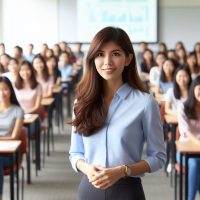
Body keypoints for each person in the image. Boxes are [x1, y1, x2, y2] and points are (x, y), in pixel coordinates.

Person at [69, 26, 166, 200]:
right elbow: (75, 153)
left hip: (127, 191)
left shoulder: (145, 103)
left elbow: (158, 157)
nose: (107, 62)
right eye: (100, 54)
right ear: (92, 58)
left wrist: (123, 171)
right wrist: (86, 168)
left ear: (128, 59)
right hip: (89, 189)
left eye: (115, 54)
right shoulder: (81, 102)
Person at [0, 76, 24, 200]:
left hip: (10, 154)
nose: (1, 93)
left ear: (10, 90)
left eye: (4, 89)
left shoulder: (18, 110)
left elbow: (14, 136)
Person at [177, 75, 200, 200]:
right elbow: (185, 131)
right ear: (193, 90)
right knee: (195, 164)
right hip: (186, 151)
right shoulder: (183, 107)